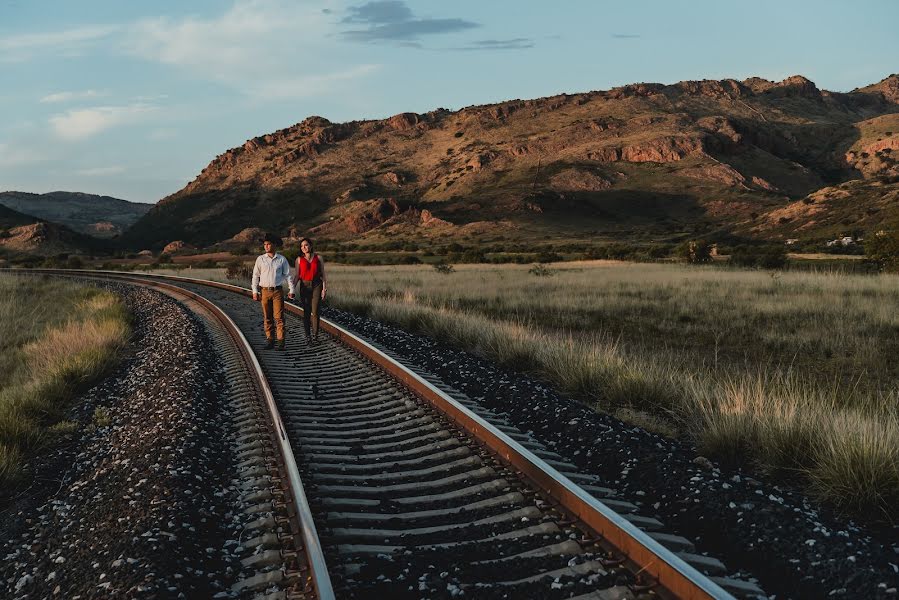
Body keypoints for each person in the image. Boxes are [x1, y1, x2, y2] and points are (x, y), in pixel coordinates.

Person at [251, 233, 295, 350]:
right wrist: (255, 291)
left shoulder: (282, 259)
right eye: (265, 244)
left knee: (279, 317)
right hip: (264, 292)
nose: (266, 246)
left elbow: (288, 276)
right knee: (267, 317)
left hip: (277, 292)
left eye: (268, 244)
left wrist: (292, 289)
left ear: (274, 245)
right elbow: (255, 276)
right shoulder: (260, 259)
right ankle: (270, 341)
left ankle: (281, 342)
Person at [292, 237, 327, 344]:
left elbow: (323, 274)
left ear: (310, 246)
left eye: (306, 245)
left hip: (317, 285)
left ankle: (315, 336)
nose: (304, 247)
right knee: (306, 312)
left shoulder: (319, 258)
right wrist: (292, 289)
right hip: (304, 286)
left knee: (315, 311)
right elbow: (297, 276)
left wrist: (324, 289)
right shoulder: (298, 259)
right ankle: (308, 336)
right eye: (302, 246)